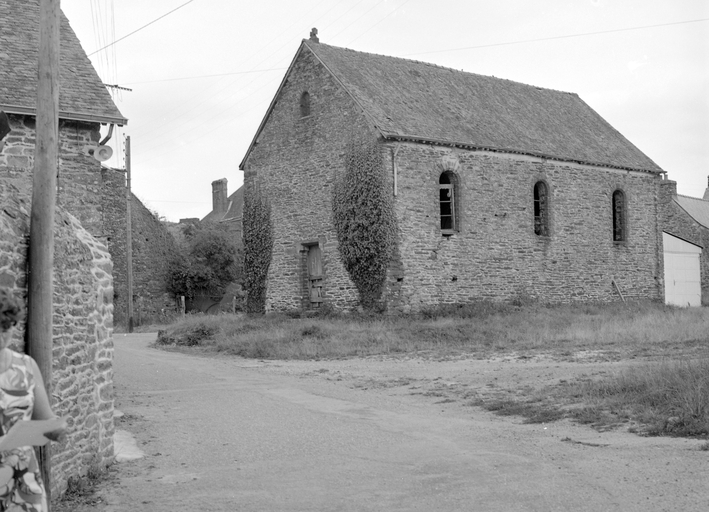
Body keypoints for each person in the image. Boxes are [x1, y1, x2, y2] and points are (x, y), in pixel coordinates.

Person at [0, 287, 67, 511]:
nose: (1, 336)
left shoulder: (26, 366)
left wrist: (57, 428)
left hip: (22, 481)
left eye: (6, 327)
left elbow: (46, 420)